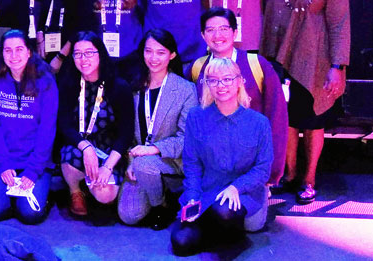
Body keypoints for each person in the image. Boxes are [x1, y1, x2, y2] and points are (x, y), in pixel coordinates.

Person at [261, 0, 350, 204]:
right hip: (278, 59)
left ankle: (308, 180)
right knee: (285, 120)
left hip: (315, 64)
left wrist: (337, 68)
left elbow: (339, 25)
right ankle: (288, 175)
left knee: (312, 122)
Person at [170, 57, 272, 256]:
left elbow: (263, 169)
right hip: (208, 191)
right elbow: (192, 164)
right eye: (214, 80)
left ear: (239, 81)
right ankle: (218, 233)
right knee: (180, 244)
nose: (221, 85)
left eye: (227, 79)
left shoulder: (259, 123)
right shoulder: (196, 116)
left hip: (244, 193)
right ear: (207, 84)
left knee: (224, 211)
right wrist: (192, 198)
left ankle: (224, 233)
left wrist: (236, 187)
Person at [187, 8, 288, 186]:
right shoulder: (198, 68)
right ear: (203, 35)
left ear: (235, 32)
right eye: (210, 30)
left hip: (251, 164)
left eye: (224, 29)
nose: (217, 35)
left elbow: (277, 116)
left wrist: (272, 172)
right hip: (212, 165)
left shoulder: (256, 64)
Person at [118, 29, 198, 229]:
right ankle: (157, 190)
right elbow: (125, 131)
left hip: (170, 159)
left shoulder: (186, 89)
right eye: (148, 51)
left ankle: (161, 205)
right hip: (137, 159)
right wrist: (130, 161)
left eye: (160, 52)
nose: (153, 58)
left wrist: (153, 149)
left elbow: (186, 138)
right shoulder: (133, 85)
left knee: (145, 164)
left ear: (172, 55)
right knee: (128, 215)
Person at [0, 29, 58, 224]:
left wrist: (33, 169)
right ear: (2, 54)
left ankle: (45, 191)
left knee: (30, 215)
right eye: (8, 50)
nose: (14, 56)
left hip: (34, 159)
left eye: (19, 49)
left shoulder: (46, 83)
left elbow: (47, 129)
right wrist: (4, 164)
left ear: (29, 52)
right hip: (3, 157)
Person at [57, 32, 133, 217]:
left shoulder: (119, 86)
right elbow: (65, 124)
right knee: (67, 156)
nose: (83, 59)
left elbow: (126, 133)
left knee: (105, 196)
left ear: (100, 54)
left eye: (89, 53)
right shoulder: (69, 83)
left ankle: (97, 185)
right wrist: (86, 148)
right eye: (78, 54)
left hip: (110, 150)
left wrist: (107, 167)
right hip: (80, 147)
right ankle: (76, 191)